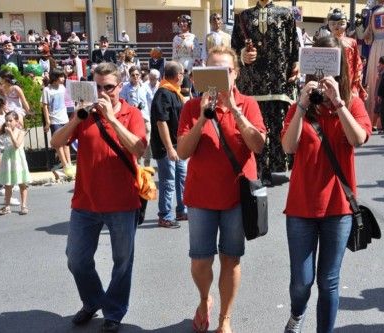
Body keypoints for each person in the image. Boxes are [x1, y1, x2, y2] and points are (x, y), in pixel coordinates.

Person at [281, 36, 371, 333]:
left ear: (341, 66)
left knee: (329, 281)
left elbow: (358, 138)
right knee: (301, 282)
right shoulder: (301, 104)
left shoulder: (353, 102)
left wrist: (339, 103)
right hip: (301, 206)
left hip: (338, 206)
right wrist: (302, 105)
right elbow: (288, 147)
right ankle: (296, 314)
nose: (322, 74)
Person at [50, 62, 146, 333]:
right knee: (76, 259)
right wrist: (76, 119)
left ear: (120, 87)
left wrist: (113, 119)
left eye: (109, 87)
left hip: (122, 203)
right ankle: (92, 301)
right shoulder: (84, 115)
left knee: (123, 261)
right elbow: (56, 143)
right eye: (98, 87)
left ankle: (114, 312)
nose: (103, 92)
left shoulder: (132, 114)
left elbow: (138, 148)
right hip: (85, 203)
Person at [177, 45, 266, 333]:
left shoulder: (249, 103)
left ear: (235, 74)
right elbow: (182, 152)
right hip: (201, 197)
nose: (220, 76)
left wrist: (235, 112)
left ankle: (225, 319)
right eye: (212, 70)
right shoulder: (192, 107)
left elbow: (258, 145)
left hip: (236, 197)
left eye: (225, 70)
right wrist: (203, 116)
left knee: (231, 257)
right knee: (200, 262)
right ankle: (204, 299)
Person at [231, 0, 299, 185]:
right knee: (254, 125)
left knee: (277, 123)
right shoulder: (243, 16)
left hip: (278, 79)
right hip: (252, 81)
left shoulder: (285, 14)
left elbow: (294, 43)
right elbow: (234, 46)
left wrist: (296, 64)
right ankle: (258, 169)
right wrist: (243, 53)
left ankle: (275, 167)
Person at [150, 61, 187, 228]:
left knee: (181, 178)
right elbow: (161, 122)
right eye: (183, 74)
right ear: (178, 75)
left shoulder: (175, 92)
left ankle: (182, 210)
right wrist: (170, 148)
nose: (183, 78)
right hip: (166, 147)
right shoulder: (163, 93)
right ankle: (165, 215)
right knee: (168, 181)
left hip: (177, 145)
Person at [327, 9, 367, 101]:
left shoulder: (351, 42)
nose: (337, 27)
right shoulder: (325, 42)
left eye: (341, 23)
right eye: (333, 24)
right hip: (329, 72)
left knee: (347, 96)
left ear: (346, 24)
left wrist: (357, 75)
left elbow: (357, 61)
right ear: (328, 25)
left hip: (348, 74)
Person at [0, 111, 31, 215]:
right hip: (8, 160)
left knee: (22, 183)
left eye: (10, 120)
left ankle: (23, 205)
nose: (8, 123)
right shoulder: (4, 132)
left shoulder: (20, 131)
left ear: (16, 121)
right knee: (8, 185)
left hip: (18, 160)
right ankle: (7, 206)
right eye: (6, 120)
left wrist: (11, 133)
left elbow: (16, 145)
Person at [41, 68, 73, 175]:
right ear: (54, 77)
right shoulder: (47, 90)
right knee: (58, 144)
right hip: (55, 120)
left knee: (66, 142)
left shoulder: (63, 87)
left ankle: (69, 163)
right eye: (60, 76)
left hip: (65, 119)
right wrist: (47, 121)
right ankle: (65, 165)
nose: (63, 79)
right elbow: (45, 107)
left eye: (63, 76)